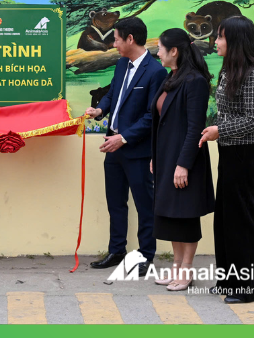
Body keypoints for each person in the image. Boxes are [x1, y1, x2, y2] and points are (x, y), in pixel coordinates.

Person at [86, 17, 167, 276]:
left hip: (137, 149)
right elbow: (113, 94)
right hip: (114, 146)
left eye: (117, 39)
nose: (114, 44)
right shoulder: (122, 64)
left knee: (144, 204)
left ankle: (145, 256)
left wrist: (124, 138)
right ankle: (117, 250)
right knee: (116, 202)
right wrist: (100, 109)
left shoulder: (156, 72)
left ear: (130, 39)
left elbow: (150, 116)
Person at [199, 15, 254, 304]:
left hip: (246, 154)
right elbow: (228, 111)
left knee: (242, 221)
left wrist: (220, 129)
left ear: (237, 40)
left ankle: (247, 288)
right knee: (226, 219)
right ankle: (228, 279)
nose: (215, 42)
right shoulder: (230, 69)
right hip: (229, 152)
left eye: (221, 37)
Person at [150, 28, 215, 290]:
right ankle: (176, 269)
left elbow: (194, 127)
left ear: (174, 51)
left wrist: (183, 164)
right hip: (167, 159)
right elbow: (161, 122)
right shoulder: (172, 77)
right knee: (171, 217)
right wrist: (156, 157)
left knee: (185, 217)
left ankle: (186, 272)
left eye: (160, 48)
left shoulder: (194, 81)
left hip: (185, 161)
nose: (157, 52)